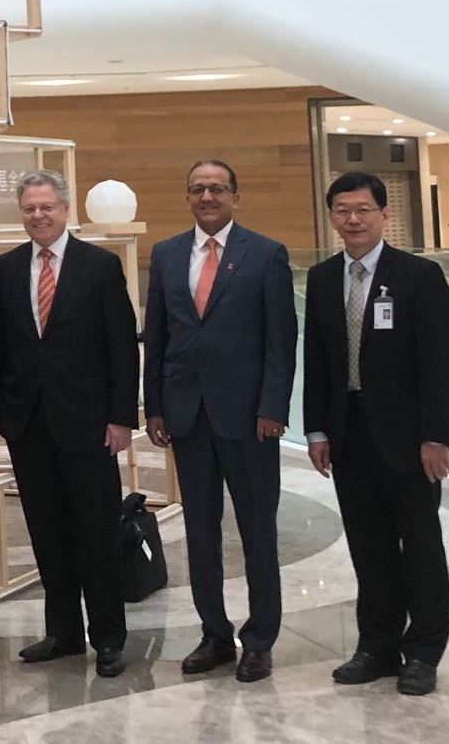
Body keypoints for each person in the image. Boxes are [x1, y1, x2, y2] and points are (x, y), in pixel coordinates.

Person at [304, 171, 449, 697]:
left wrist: (436, 436)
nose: (353, 219)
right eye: (342, 210)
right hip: (348, 434)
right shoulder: (323, 279)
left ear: (383, 215)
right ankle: (377, 646)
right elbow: (319, 361)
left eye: (363, 210)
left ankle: (424, 651)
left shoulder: (418, 275)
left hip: (410, 440)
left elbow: (440, 364)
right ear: (332, 217)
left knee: (420, 545)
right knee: (368, 546)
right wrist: (317, 429)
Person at [143, 160, 297, 683]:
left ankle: (259, 639)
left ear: (236, 196)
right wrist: (155, 405)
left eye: (217, 188)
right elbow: (156, 337)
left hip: (249, 418)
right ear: (187, 198)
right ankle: (214, 633)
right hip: (187, 416)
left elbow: (281, 341)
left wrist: (274, 409)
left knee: (257, 531)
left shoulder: (267, 254)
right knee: (200, 531)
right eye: (198, 189)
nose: (207, 196)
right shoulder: (165, 255)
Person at [0, 170, 138, 677]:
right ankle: (64, 633)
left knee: (97, 534)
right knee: (47, 531)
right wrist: (0, 411)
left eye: (47, 207)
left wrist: (122, 417)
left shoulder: (100, 266)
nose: (38, 216)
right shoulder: (5, 268)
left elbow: (122, 346)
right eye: (30, 208)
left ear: (66, 209)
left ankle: (109, 638)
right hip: (29, 424)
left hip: (89, 424)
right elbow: (0, 346)